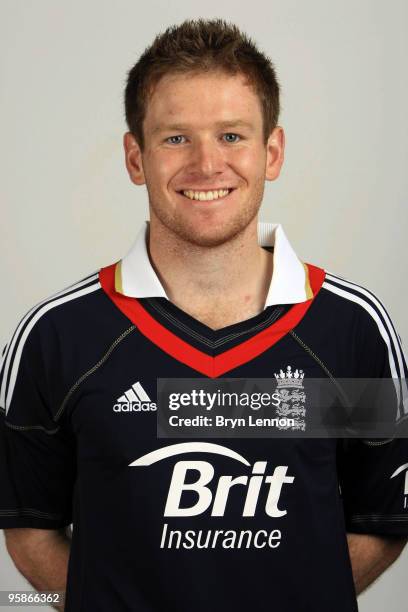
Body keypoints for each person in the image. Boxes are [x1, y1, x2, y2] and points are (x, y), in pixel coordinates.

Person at [1, 18, 407, 612]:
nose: (206, 164)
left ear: (273, 152)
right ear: (135, 158)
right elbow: (30, 527)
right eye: (175, 139)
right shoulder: (59, 336)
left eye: (232, 136)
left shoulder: (350, 329)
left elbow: (383, 517)